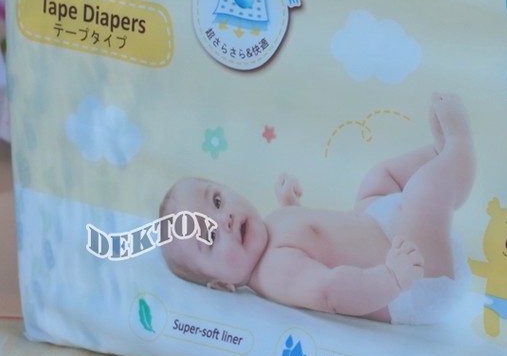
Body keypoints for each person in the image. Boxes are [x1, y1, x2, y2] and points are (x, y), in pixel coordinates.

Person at [160, 94, 474, 324]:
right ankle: (458, 147)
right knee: (423, 193)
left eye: (216, 201)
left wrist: (291, 207)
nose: (224, 219)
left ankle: (438, 154)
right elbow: (331, 292)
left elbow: (316, 242)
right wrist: (391, 278)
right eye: (210, 237)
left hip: (379, 227)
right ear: (221, 284)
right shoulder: (275, 272)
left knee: (378, 180)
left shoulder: (269, 233)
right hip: (415, 277)